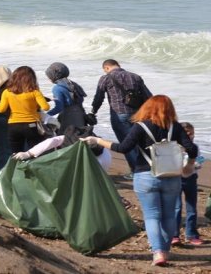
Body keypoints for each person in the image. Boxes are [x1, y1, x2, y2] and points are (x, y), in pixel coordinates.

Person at [81, 95, 197, 267]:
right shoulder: (175, 127)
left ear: (147, 108)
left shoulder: (141, 127)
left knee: (151, 216)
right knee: (168, 215)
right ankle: (165, 251)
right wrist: (189, 165)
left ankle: (157, 252)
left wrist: (97, 140)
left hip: (145, 176)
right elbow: (192, 148)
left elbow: (123, 148)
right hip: (171, 176)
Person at [91, 59, 152, 179]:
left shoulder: (106, 78)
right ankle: (147, 167)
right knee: (141, 142)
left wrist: (93, 111)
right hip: (138, 114)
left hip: (119, 115)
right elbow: (148, 96)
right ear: (118, 65)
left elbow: (99, 97)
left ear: (106, 68)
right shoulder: (135, 76)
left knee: (127, 144)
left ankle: (137, 172)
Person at [0, 66, 50, 153]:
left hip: (13, 126)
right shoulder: (35, 92)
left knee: (16, 154)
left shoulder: (7, 92)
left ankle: (17, 166)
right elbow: (46, 107)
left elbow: (1, 109)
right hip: (31, 126)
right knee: (35, 152)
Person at [172, 122, 204, 246]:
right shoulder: (174, 147)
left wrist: (197, 164)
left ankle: (191, 234)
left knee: (192, 207)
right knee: (177, 207)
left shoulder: (194, 146)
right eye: (186, 133)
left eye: (191, 133)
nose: (188, 135)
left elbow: (199, 160)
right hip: (176, 178)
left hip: (191, 177)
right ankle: (174, 234)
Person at [44, 62, 87, 134]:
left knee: (65, 140)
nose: (49, 78)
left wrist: (46, 115)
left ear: (54, 76)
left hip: (68, 117)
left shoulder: (57, 88)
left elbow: (59, 107)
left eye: (49, 76)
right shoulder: (74, 85)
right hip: (80, 116)